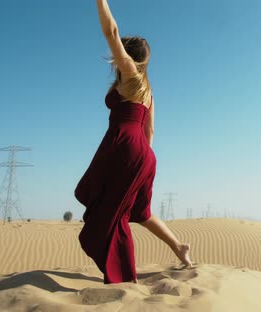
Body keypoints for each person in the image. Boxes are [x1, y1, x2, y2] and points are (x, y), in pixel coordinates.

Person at [74, 0, 192, 284]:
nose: (116, 55)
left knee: (114, 214)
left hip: (126, 149)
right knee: (140, 211)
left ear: (130, 57)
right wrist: (140, 164)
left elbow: (111, 32)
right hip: (142, 153)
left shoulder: (131, 74)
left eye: (121, 52)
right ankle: (180, 247)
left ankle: (124, 278)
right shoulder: (148, 90)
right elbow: (150, 131)